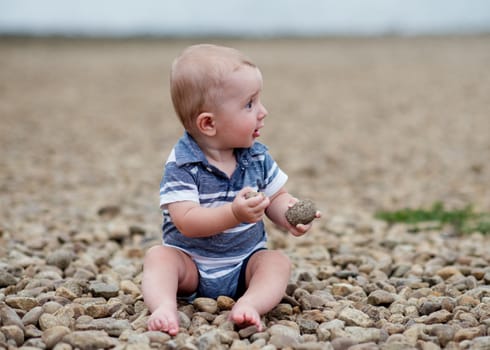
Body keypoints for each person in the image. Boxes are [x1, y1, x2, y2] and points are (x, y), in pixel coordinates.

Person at [142, 44, 321, 335]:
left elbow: (276, 196)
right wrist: (234, 213)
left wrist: (288, 215)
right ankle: (163, 305)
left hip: (243, 265)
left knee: (276, 262)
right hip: (192, 267)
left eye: (259, 101)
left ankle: (249, 304)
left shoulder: (257, 156)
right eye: (249, 104)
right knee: (159, 258)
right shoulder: (184, 164)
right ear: (209, 123)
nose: (263, 112)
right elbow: (185, 221)